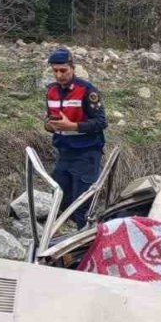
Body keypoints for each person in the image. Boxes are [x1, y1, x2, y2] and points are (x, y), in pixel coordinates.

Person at [43, 46, 107, 229]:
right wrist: (49, 126)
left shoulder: (87, 90)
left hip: (86, 154)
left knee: (82, 206)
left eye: (63, 70)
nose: (59, 75)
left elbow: (101, 122)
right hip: (64, 153)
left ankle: (86, 241)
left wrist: (74, 126)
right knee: (60, 200)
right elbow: (48, 119)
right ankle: (82, 233)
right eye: (55, 71)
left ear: (72, 67)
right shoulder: (51, 91)